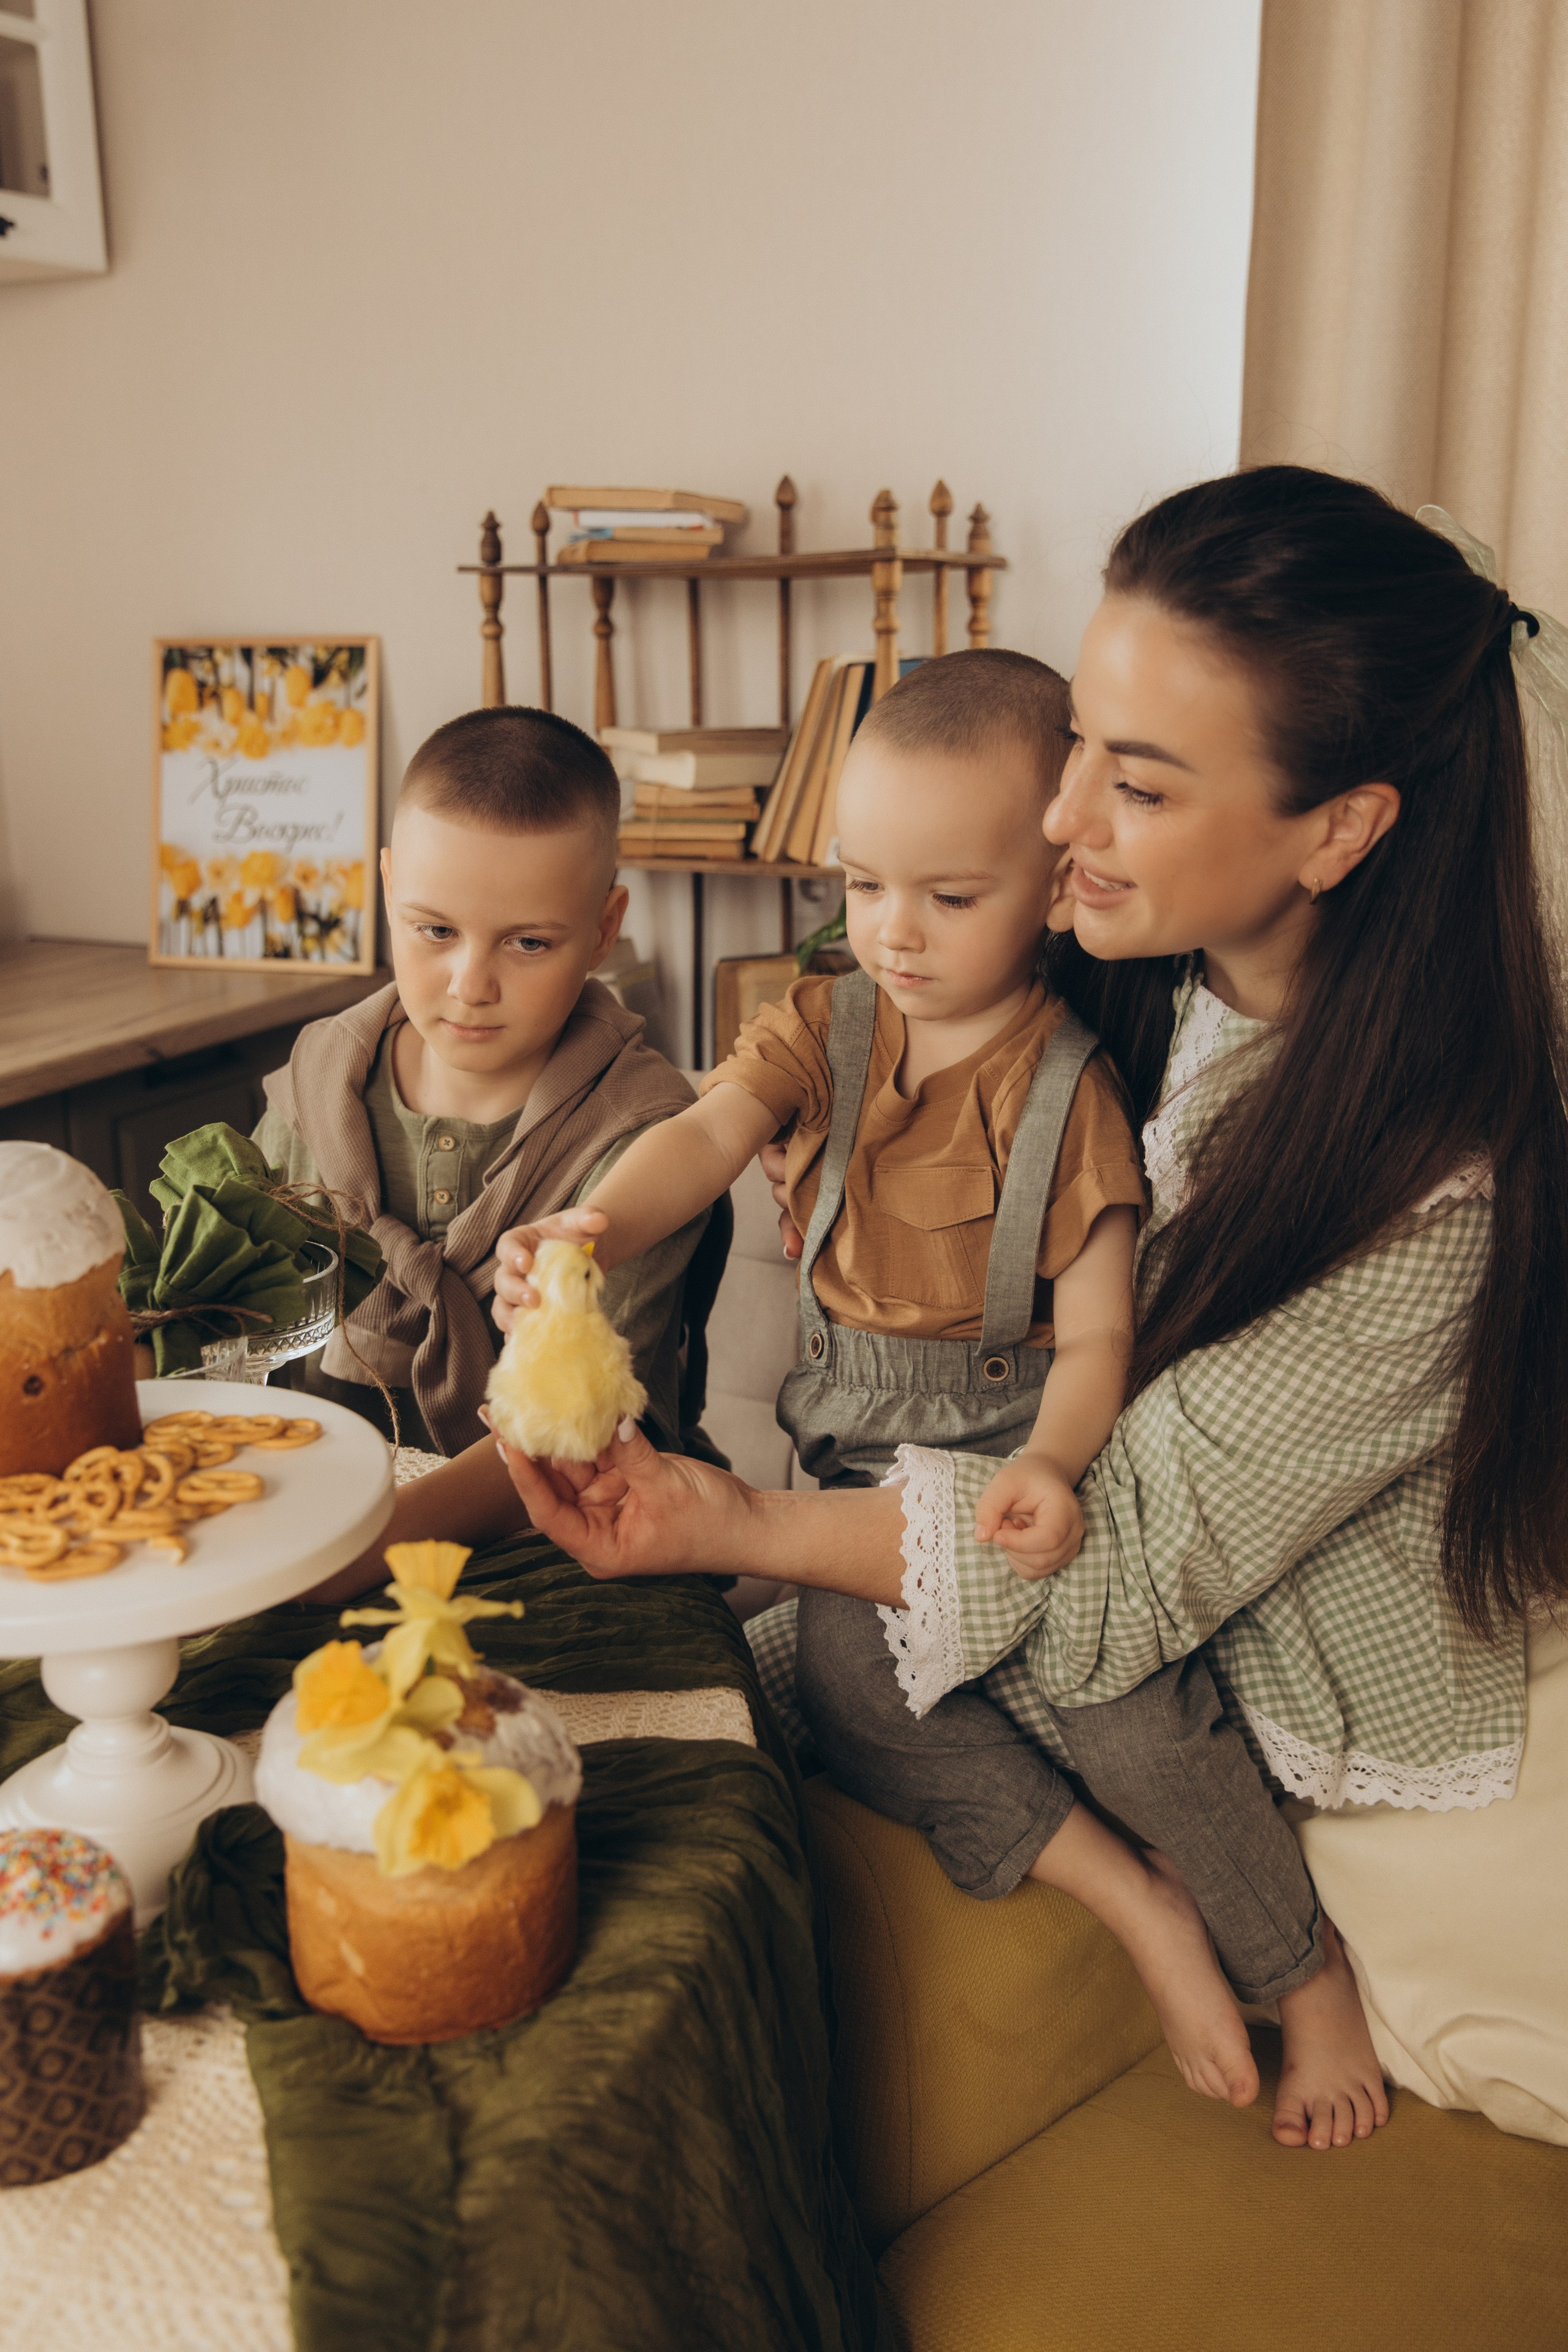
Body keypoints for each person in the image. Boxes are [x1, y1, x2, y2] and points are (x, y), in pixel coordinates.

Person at [489, 468, 1568, 2155]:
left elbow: (1109, 1556)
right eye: (1080, 752)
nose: (1060, 822)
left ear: (1342, 829)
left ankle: (1265, 1958)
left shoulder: (1441, 1200)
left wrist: (732, 1521)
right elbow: (807, 1088)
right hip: (1045, 1551)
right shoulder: (1131, 980)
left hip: (1269, 1682)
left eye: (1132, 784)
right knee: (650, 1723)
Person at [255, 704, 719, 1465]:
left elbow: (579, 1442)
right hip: (321, 1495)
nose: (471, 986)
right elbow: (232, 1334)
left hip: (582, 1522)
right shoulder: (317, 1088)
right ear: (388, 884)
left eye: (528, 942)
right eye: (435, 931)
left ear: (605, 928)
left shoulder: (646, 1140)